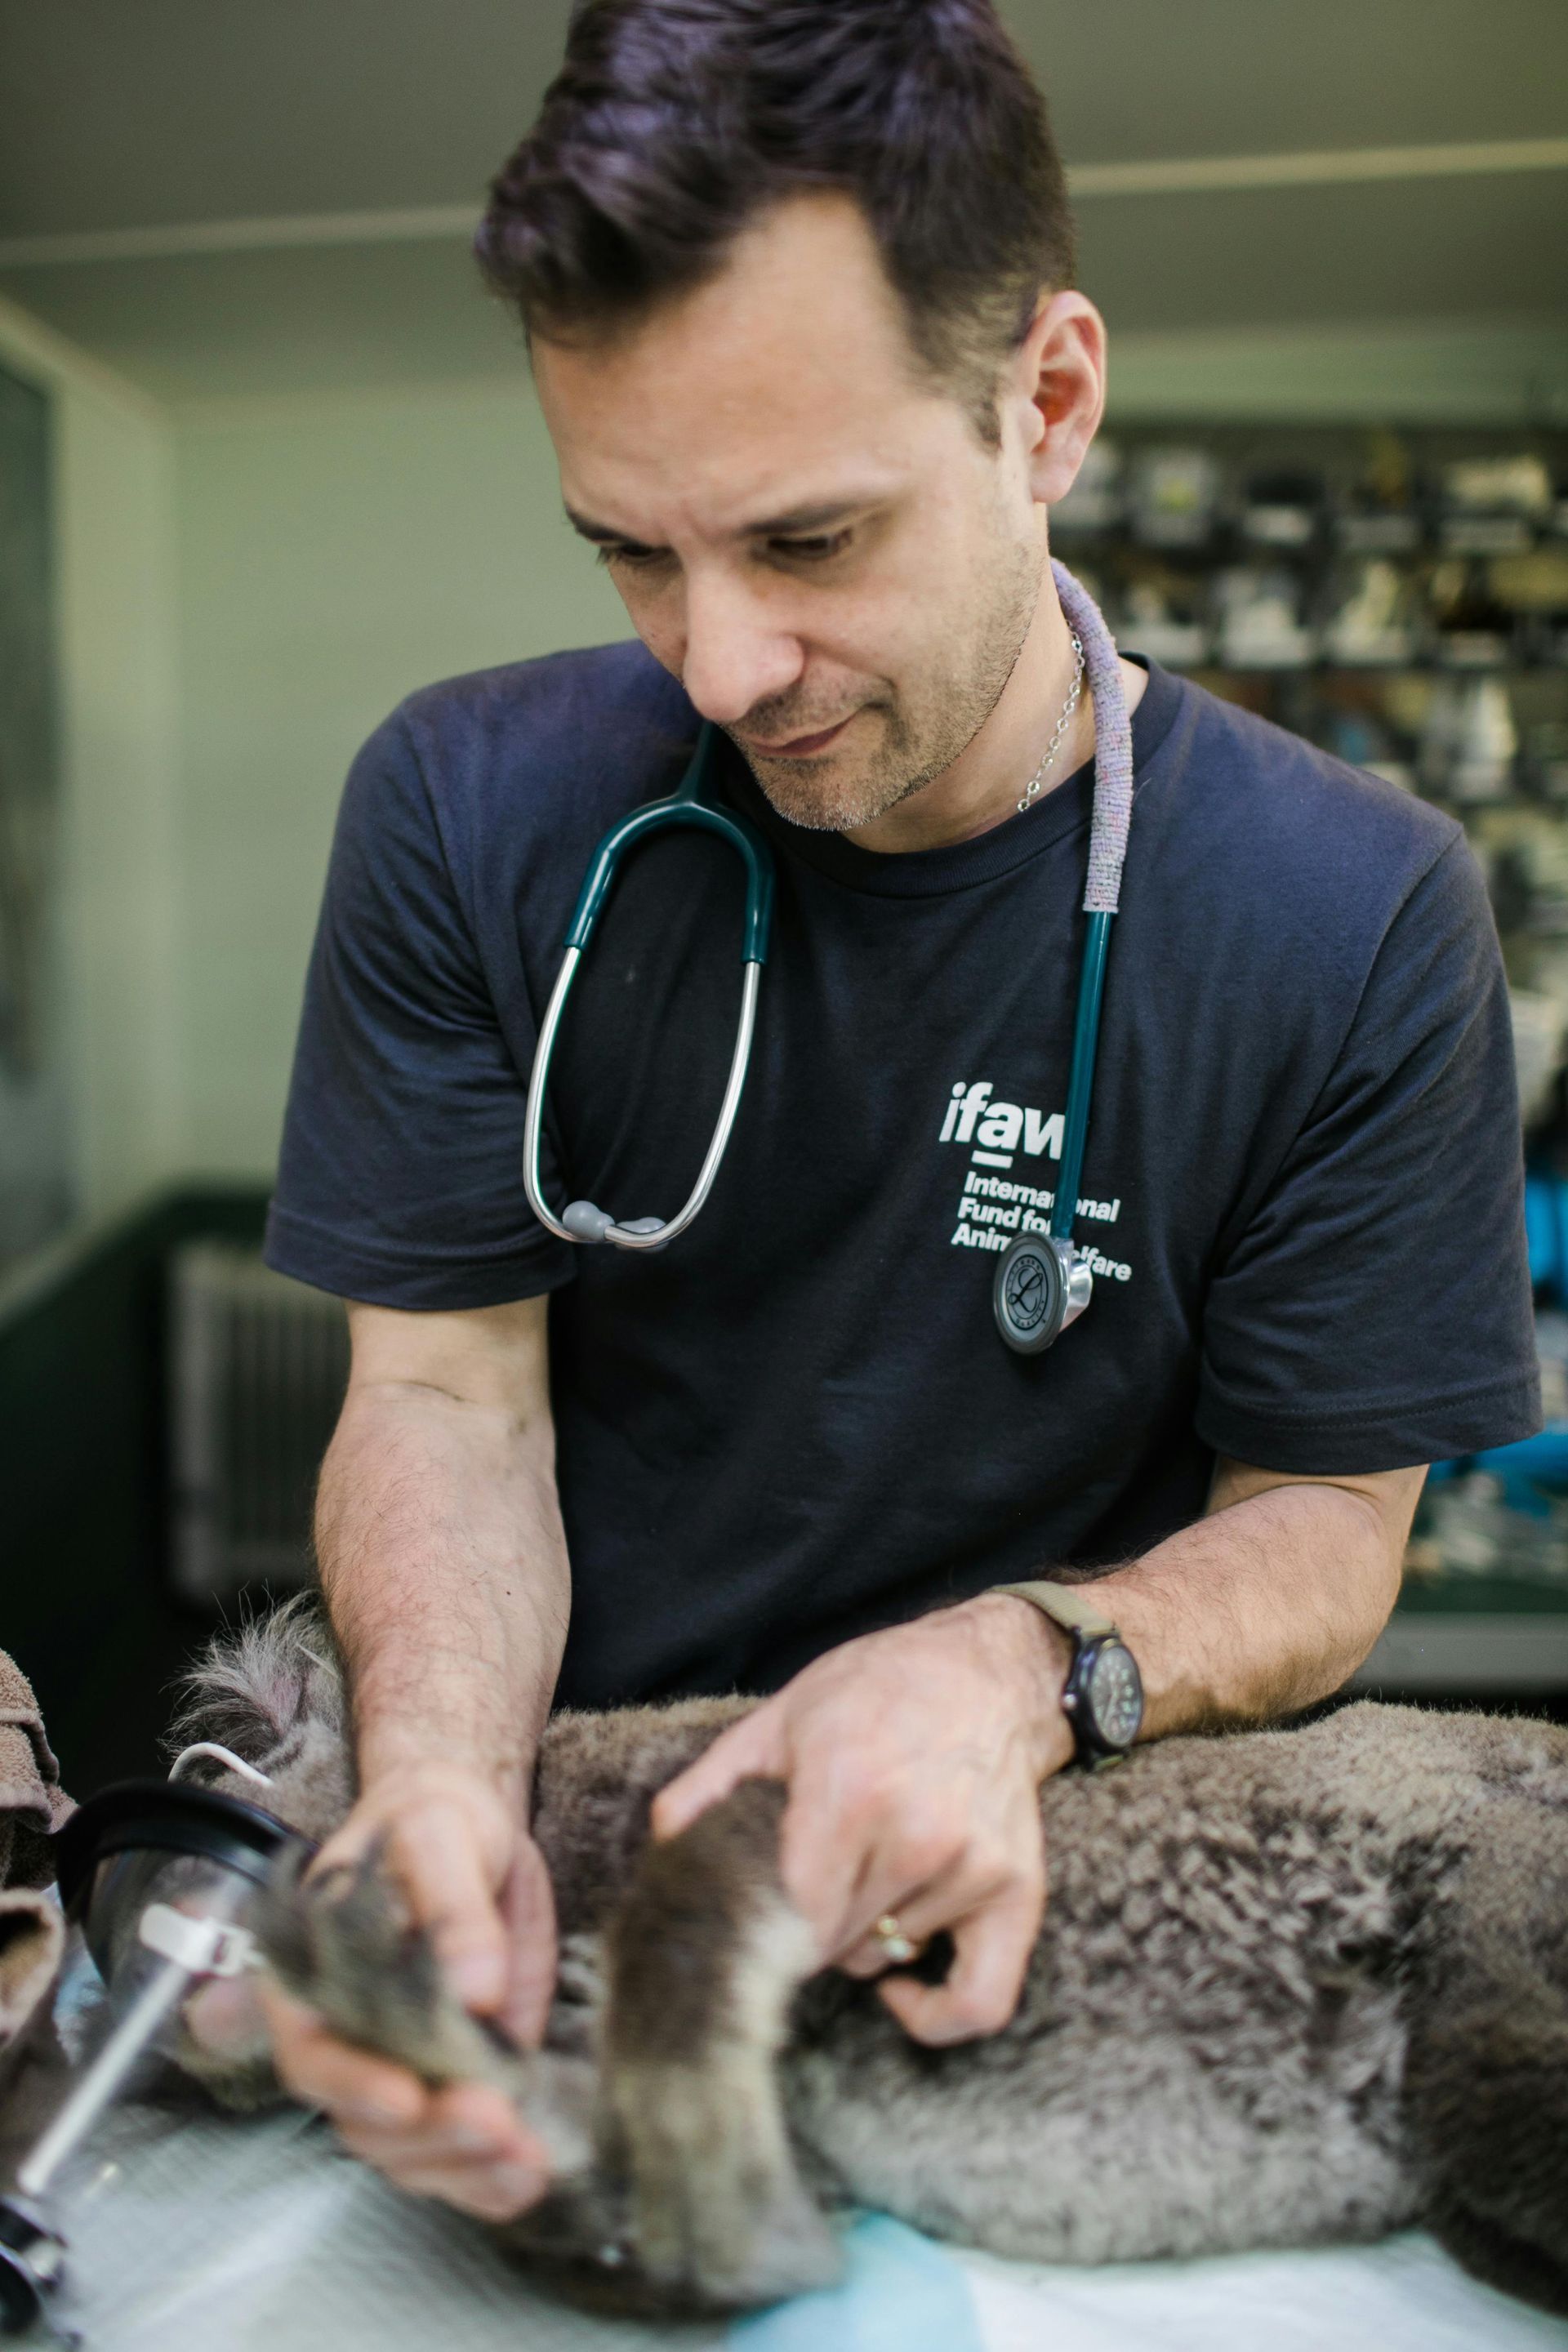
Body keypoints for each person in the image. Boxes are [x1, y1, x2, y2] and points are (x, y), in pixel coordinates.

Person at [252, 0, 1538, 2223]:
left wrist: (1017, 1670)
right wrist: (438, 1783)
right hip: (588, 1871)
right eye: (632, 555)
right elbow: (451, 1402)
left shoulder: (1352, 909)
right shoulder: (464, 809)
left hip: (1079, 1889)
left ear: (1046, 403)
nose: (720, 665)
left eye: (807, 544)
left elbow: (1330, 1525)